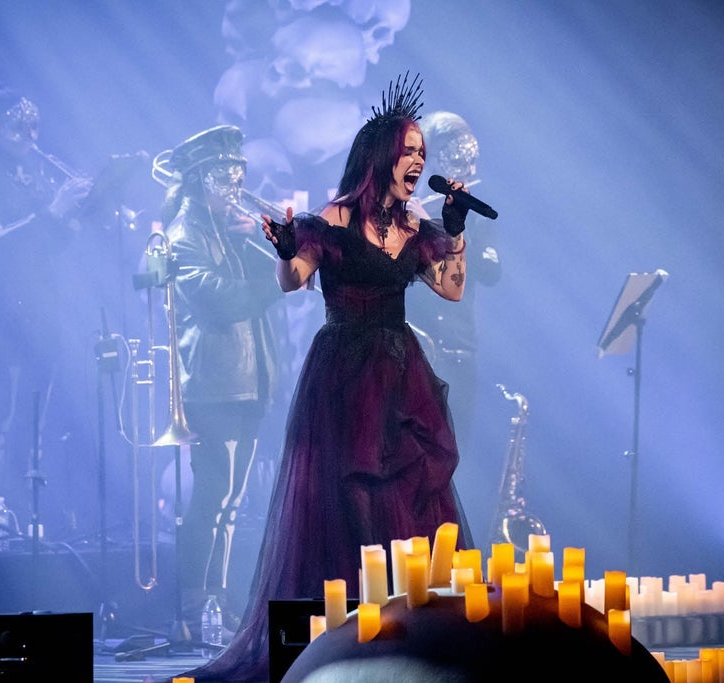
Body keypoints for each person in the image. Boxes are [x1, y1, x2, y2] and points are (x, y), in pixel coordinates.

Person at [177, 72, 475, 682]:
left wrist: (458, 229)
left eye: (423, 154)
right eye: (410, 152)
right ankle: (348, 642)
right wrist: (287, 248)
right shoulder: (329, 221)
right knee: (350, 495)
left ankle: (411, 637)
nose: (419, 162)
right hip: (344, 375)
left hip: (400, 372)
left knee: (410, 494)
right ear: (381, 157)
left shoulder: (419, 229)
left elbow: (451, 292)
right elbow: (294, 281)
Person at [0, 86, 93, 543]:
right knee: (6, 413)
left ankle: (32, 506)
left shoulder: (37, 173)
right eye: (17, 123)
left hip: (46, 307)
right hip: (7, 313)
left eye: (33, 122)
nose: (29, 132)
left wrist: (76, 214)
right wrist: (55, 211)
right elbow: (2, 241)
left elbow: (46, 245)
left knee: (41, 412)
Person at [154, 125, 284, 625]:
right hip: (216, 387)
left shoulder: (225, 231)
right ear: (196, 180)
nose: (235, 188)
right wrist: (279, 277)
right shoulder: (185, 235)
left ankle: (218, 600)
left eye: (239, 175)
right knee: (212, 500)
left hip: (247, 383)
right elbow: (220, 299)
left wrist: (272, 241)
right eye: (223, 178)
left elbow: (288, 267)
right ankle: (195, 604)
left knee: (230, 502)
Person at [406, 111, 501, 485]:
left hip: (460, 351)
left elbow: (493, 273)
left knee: (453, 458)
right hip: (415, 350)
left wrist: (457, 226)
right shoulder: (407, 212)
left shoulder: (476, 214)